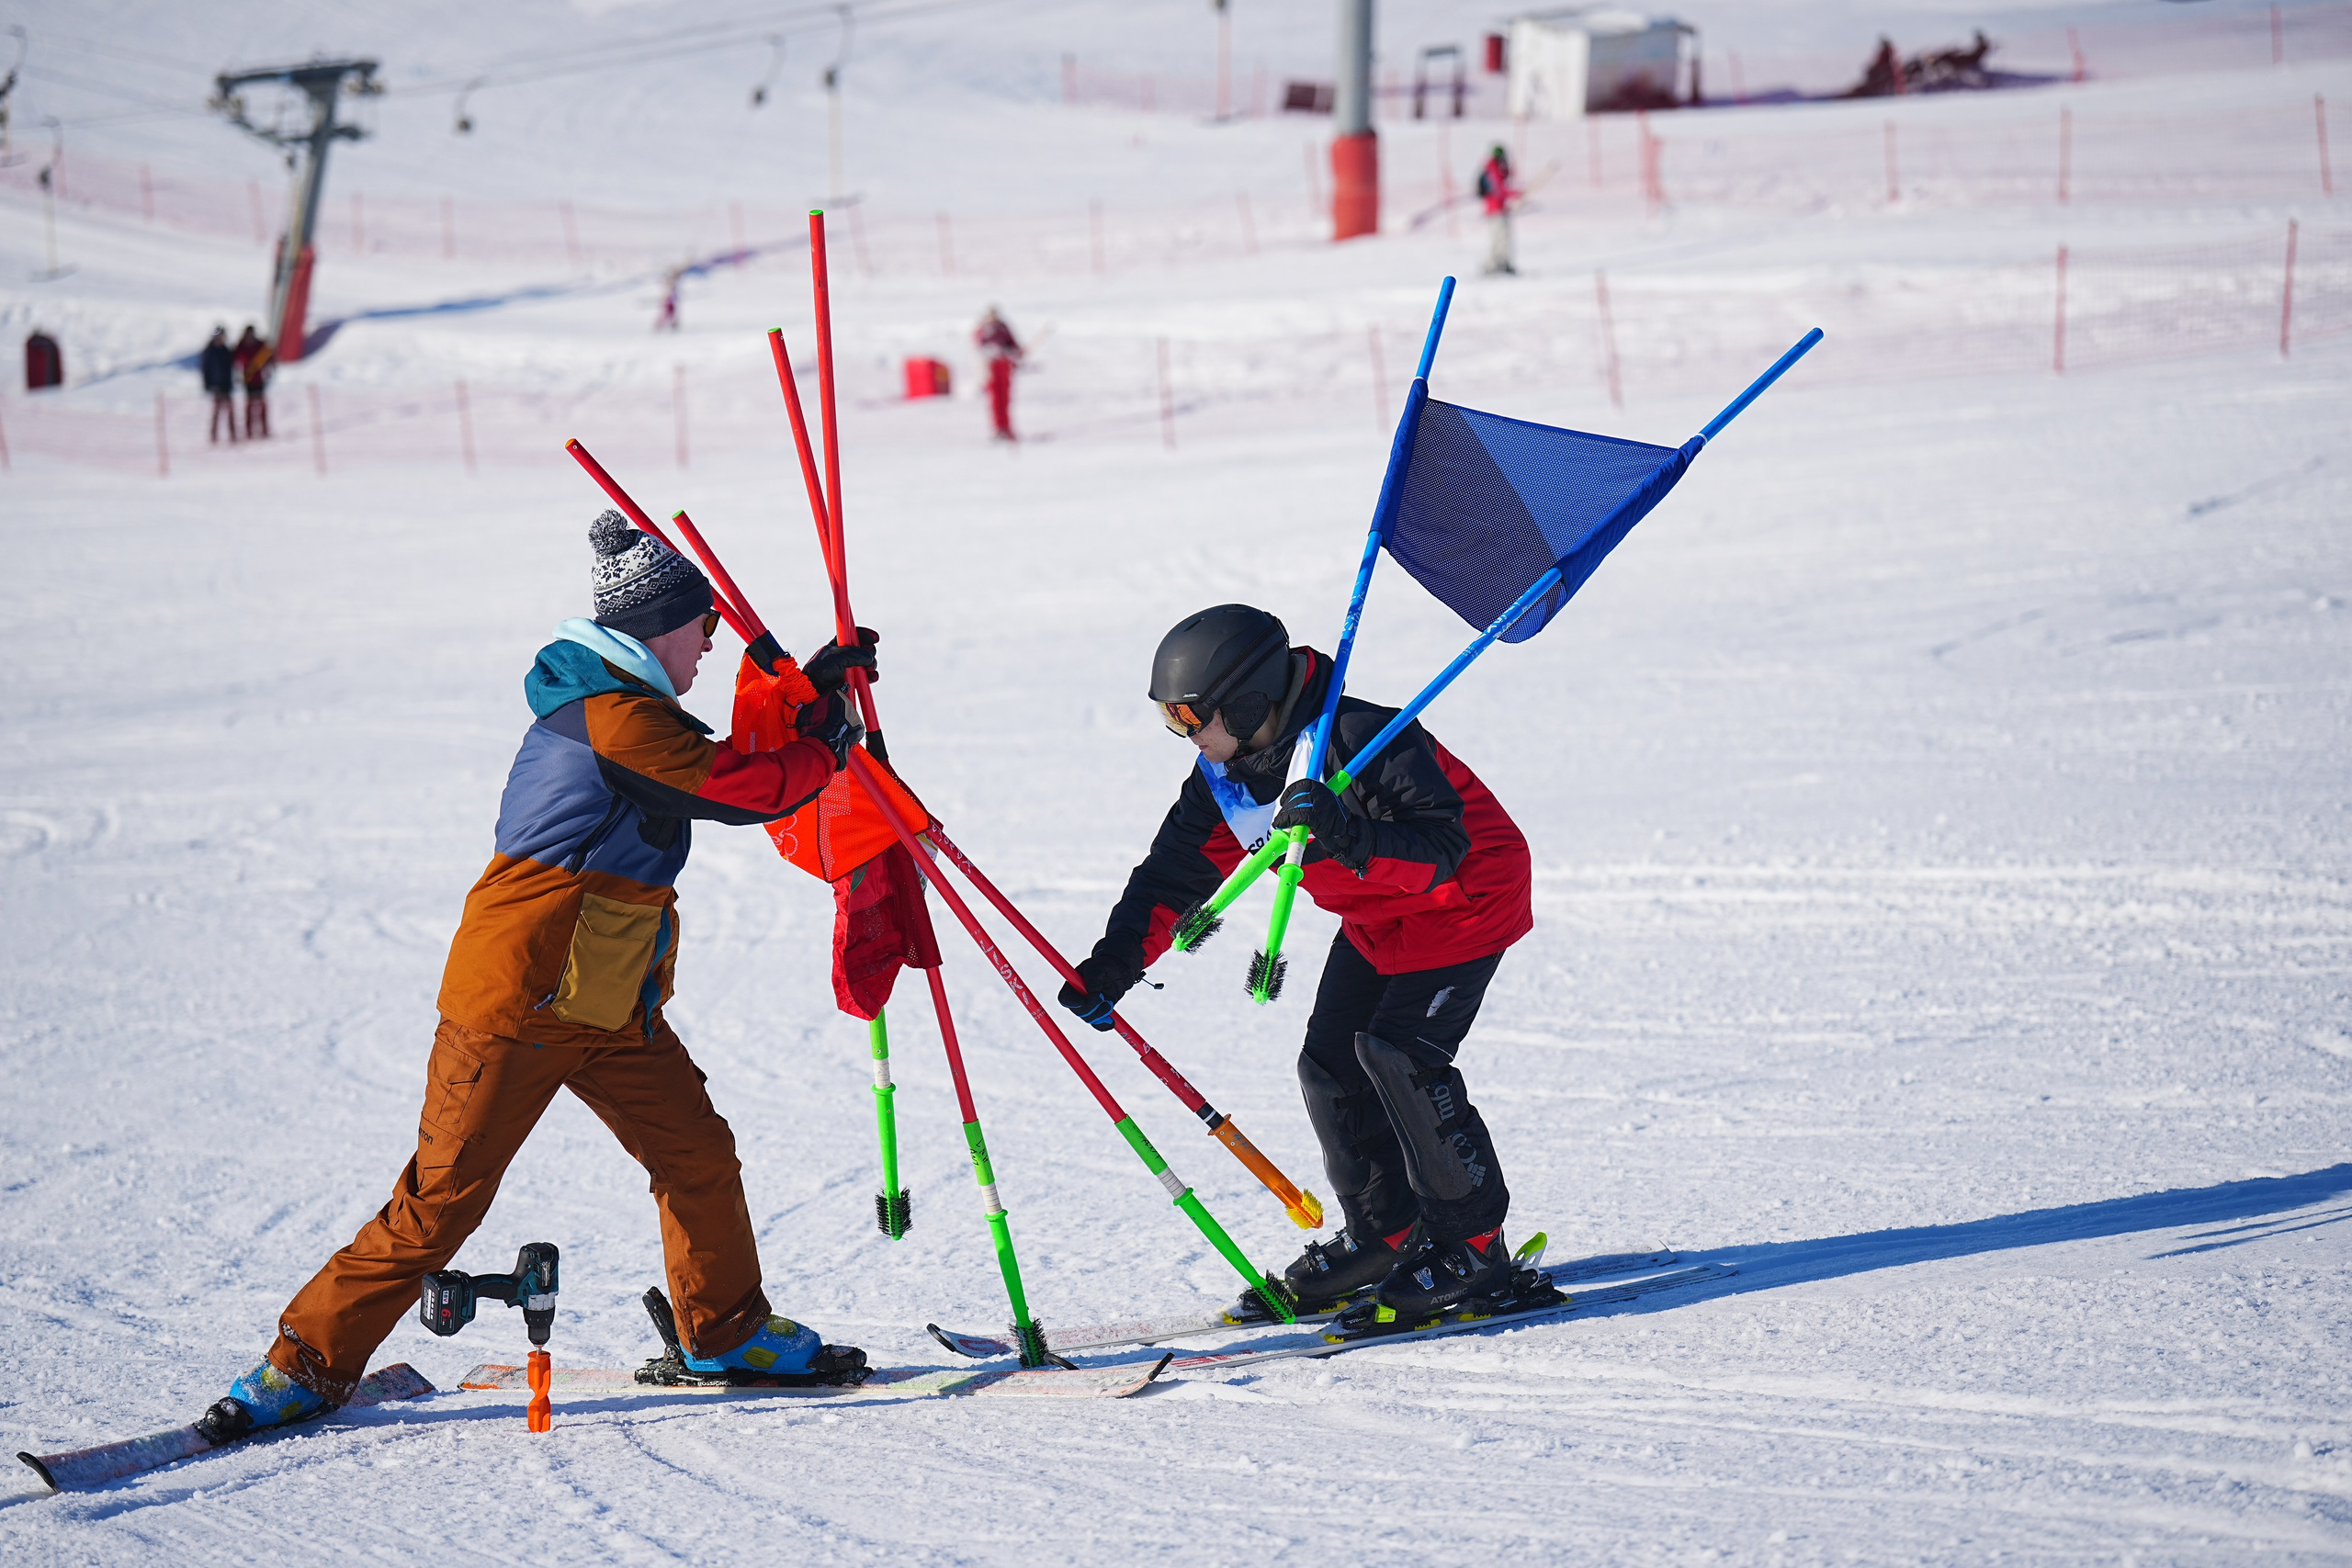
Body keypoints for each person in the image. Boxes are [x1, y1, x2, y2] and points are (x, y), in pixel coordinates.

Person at [200, 511, 881, 1442]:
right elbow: (734, 787)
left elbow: (731, 761)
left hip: (607, 1004)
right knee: (439, 1205)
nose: (711, 640)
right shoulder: (614, 718)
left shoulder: (632, 711)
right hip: (518, 1003)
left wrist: (813, 703)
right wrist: (825, 746)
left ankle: (724, 1332)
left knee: (696, 1154)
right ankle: (297, 1368)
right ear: (654, 628)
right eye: (700, 624)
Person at [1055, 604, 1535, 1324]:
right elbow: (1173, 874)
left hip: (1464, 900)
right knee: (1329, 1064)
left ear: (1249, 702)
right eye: (1171, 719)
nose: (1185, 735)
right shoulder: (1227, 773)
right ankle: (1387, 1234)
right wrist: (1114, 964)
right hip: (1376, 914)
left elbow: (1443, 851)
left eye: (1191, 716)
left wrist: (1345, 829)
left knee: (1399, 1054)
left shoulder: (1363, 738)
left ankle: (1475, 1247)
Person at [974, 305, 1022, 442]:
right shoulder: (983, 329)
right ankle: (998, 429)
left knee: (1005, 398)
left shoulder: (1002, 328)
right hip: (990, 367)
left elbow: (1013, 345)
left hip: (1005, 365)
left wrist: (1015, 352)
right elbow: (980, 347)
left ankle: (1007, 428)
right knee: (995, 399)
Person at [1476, 145, 1519, 277]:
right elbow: (1498, 190)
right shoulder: (1492, 169)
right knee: (1500, 237)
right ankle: (1496, 264)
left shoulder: (1495, 169)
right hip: (1495, 209)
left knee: (1502, 236)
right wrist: (1514, 193)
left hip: (1498, 209)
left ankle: (1501, 262)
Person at [200, 326, 237, 445]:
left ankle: (233, 435)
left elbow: (231, 369)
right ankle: (213, 436)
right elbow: (205, 370)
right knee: (216, 412)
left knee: (230, 412)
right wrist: (208, 384)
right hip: (215, 386)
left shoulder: (226, 351)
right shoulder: (209, 352)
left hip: (226, 385)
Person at [233, 324, 271, 440]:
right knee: (249, 406)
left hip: (259, 379)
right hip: (248, 379)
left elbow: (269, 356)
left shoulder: (260, 345)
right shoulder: (241, 346)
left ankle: (264, 429)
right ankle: (249, 430)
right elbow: (235, 360)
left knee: (262, 405)